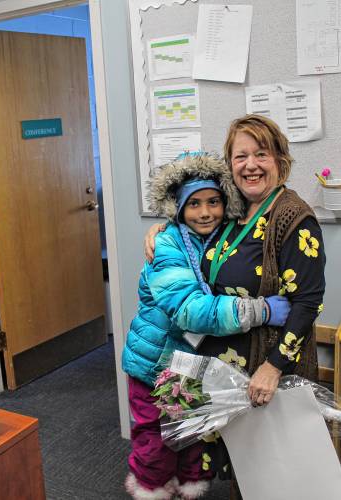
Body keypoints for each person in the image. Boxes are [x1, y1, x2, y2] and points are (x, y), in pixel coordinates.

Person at [145, 115, 326, 496]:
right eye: (240, 156)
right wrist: (165, 229)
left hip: (265, 367)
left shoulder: (294, 218)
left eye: (261, 153)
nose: (250, 165)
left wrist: (273, 368)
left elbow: (308, 304)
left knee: (274, 473)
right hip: (224, 366)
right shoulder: (232, 209)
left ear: (279, 159)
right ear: (230, 164)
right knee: (244, 470)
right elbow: (195, 229)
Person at [122, 152, 291, 500]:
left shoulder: (221, 235)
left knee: (190, 435)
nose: (204, 212)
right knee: (156, 439)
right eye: (194, 203)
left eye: (213, 201)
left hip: (190, 364)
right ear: (178, 208)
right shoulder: (168, 244)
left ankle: (187, 489)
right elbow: (190, 311)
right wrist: (259, 311)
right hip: (154, 365)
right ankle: (151, 490)